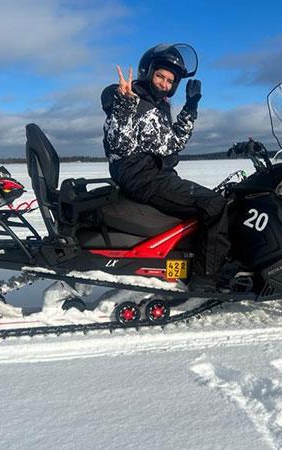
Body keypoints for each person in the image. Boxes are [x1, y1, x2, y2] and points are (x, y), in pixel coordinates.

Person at [101, 43, 231, 292]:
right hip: (142, 177)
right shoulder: (129, 100)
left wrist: (191, 106)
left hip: (155, 173)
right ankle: (205, 279)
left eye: (170, 81)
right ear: (147, 72)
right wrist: (125, 104)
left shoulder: (155, 105)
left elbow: (170, 143)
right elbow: (121, 145)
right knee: (214, 205)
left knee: (216, 200)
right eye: (160, 76)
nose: (164, 83)